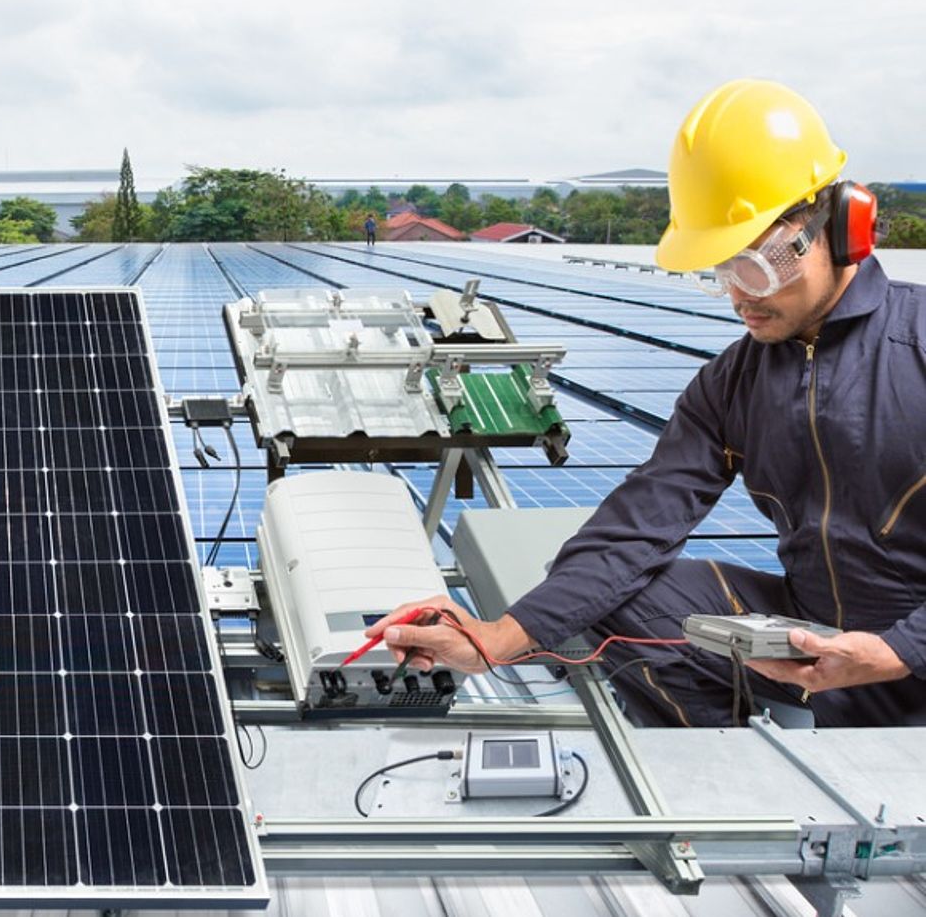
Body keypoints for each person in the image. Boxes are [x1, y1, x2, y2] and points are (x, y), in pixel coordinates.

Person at [367, 79, 926, 727]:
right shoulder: (734, 382)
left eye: (759, 265)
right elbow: (637, 528)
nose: (740, 297)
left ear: (845, 227)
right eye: (721, 271)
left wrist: (895, 651)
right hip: (822, 647)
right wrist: (499, 638)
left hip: (909, 657)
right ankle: (725, 782)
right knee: (618, 593)